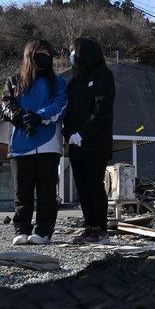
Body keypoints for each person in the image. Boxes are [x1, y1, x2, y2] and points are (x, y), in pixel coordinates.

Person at [1, 38, 67, 245]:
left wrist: (39, 116)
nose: (44, 55)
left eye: (48, 52)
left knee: (47, 191)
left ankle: (44, 231)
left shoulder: (57, 82)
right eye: (39, 51)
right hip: (20, 144)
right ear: (29, 54)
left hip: (49, 144)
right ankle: (21, 228)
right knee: (22, 191)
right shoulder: (13, 81)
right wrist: (20, 116)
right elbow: (6, 104)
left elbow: (61, 104)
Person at [63, 37, 115, 243]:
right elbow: (67, 112)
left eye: (73, 51)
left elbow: (101, 110)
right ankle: (89, 226)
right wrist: (69, 134)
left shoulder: (103, 74)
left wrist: (83, 133)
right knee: (82, 187)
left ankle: (100, 229)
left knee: (94, 184)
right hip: (76, 145)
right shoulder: (74, 81)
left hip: (96, 144)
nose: (71, 56)